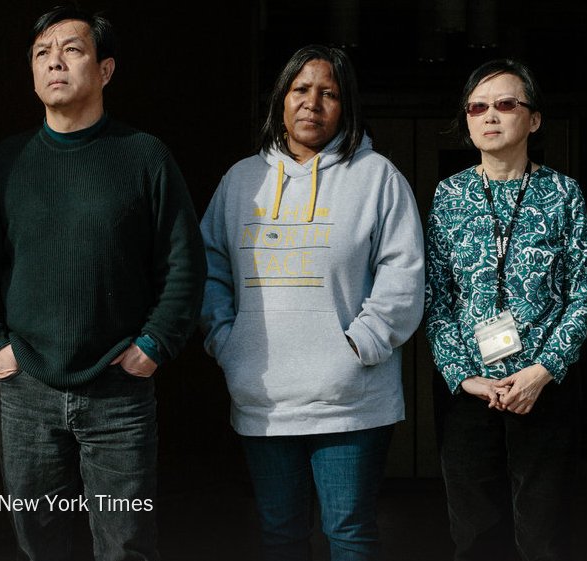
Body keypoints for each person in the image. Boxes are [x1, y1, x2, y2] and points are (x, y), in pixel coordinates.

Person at [0, 6, 205, 560]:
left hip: (118, 390)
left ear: (105, 69)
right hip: (27, 388)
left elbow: (184, 264)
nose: (55, 63)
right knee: (39, 544)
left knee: (126, 545)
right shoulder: (7, 162)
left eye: (72, 50)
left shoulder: (144, 156)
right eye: (42, 54)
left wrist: (153, 346)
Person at [200, 44, 426, 561]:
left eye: (329, 93)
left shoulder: (377, 177)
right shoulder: (242, 181)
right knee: (280, 535)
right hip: (263, 397)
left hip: (351, 402)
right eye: (300, 90)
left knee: (349, 533)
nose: (312, 103)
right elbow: (209, 266)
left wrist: (360, 345)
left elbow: (404, 272)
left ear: (346, 106)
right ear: (280, 99)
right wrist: (225, 340)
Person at [424, 58, 587, 561]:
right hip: (470, 392)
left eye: (505, 104)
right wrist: (464, 376)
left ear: (534, 119)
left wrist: (542, 372)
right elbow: (436, 299)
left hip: (543, 385)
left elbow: (582, 298)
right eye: (477, 107)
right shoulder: (449, 195)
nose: (490, 116)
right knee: (475, 536)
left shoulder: (562, 193)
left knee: (545, 536)